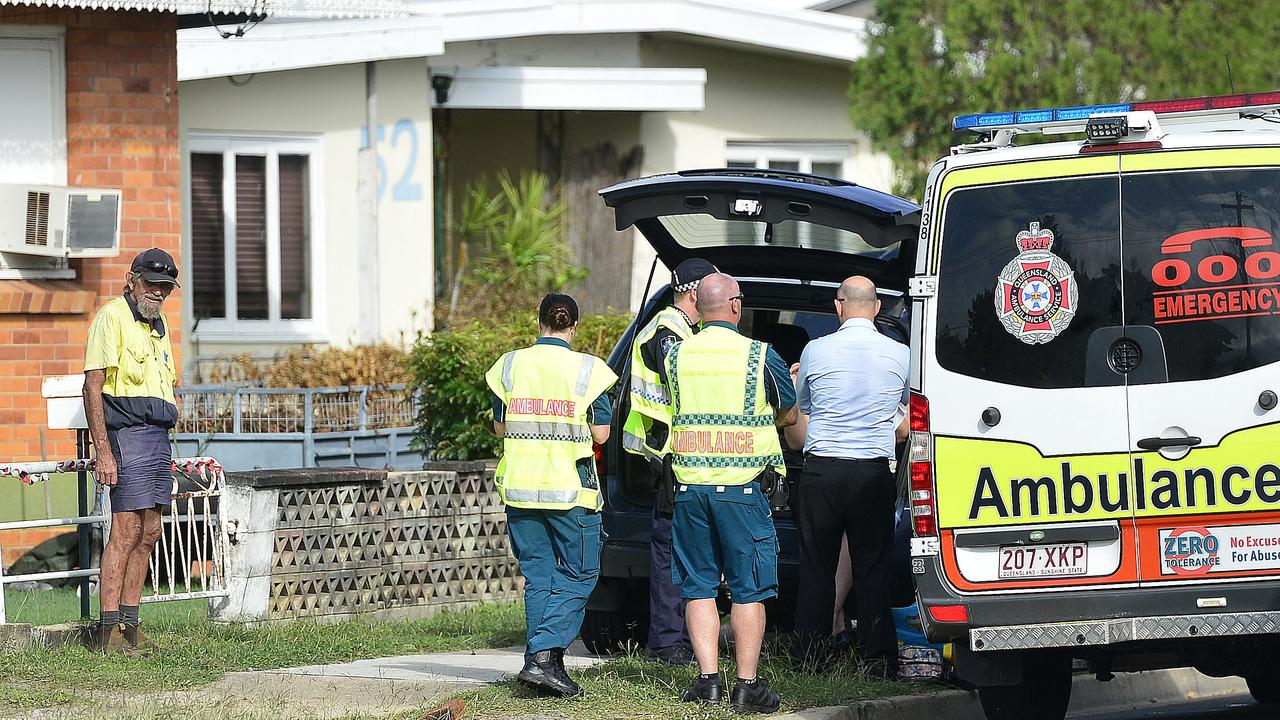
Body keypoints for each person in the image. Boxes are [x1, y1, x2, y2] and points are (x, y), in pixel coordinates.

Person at [665, 274, 796, 713]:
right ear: (736, 306)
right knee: (747, 590)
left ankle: (708, 682)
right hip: (741, 490)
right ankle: (747, 685)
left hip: (689, 489)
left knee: (698, 587)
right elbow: (789, 410)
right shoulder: (759, 356)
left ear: (698, 307)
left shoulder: (676, 355)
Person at [484, 293, 618, 698]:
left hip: (522, 491)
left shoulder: (509, 365)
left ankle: (538, 664)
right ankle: (544, 658)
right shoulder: (588, 371)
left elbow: (500, 428)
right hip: (569, 492)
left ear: (538, 322)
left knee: (539, 577)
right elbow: (601, 433)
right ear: (574, 327)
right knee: (580, 573)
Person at [784, 276, 909, 675]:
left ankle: (810, 657)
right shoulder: (901, 354)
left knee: (816, 567)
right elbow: (906, 421)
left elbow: (801, 408)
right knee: (872, 568)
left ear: (838, 307)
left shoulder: (816, 351)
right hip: (872, 473)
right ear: (876, 308)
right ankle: (877, 661)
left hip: (823, 470)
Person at [83, 248, 181, 654]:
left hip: (157, 436)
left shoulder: (159, 327)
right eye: (151, 284)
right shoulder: (111, 317)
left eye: (165, 288)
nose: (157, 292)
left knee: (150, 531)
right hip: (126, 435)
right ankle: (108, 635)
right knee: (124, 532)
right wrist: (102, 452)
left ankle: (131, 628)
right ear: (132, 279)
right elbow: (92, 387)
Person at [621, 258, 717, 665]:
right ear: (694, 292)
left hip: (679, 457)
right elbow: (684, 386)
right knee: (672, 553)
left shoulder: (678, 331)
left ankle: (673, 639)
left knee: (679, 550)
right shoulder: (666, 333)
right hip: (670, 458)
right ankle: (666, 643)